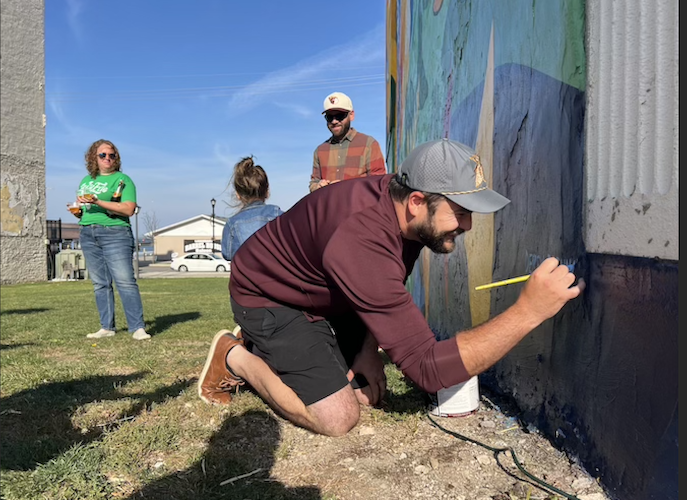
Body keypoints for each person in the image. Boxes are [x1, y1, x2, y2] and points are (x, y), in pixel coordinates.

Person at [198, 138, 585, 437]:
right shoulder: (361, 239)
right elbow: (428, 370)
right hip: (268, 296)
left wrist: (368, 348)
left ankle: (290, 348)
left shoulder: (405, 213)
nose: (468, 226)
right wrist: (529, 311)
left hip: (329, 289)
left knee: (367, 383)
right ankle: (235, 356)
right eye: (462, 213)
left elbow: (387, 284)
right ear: (417, 201)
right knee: (338, 415)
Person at [70, 139, 150, 341]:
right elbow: (84, 210)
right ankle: (106, 327)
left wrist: (97, 201)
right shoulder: (85, 181)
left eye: (112, 155)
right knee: (99, 283)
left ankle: (137, 327)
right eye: (103, 155)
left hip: (115, 232)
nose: (108, 158)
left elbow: (128, 209)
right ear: (93, 158)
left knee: (125, 281)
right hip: (88, 232)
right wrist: (78, 211)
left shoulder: (122, 180)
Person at [309, 92, 386, 193]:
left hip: (359, 208)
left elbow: (379, 183)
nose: (334, 121)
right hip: (330, 208)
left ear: (351, 115)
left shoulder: (369, 144)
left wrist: (346, 187)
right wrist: (318, 186)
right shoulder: (320, 151)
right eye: (329, 117)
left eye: (340, 116)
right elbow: (313, 182)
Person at [221, 156, 283, 262]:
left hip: (247, 276)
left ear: (238, 195)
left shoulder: (233, 223)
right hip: (277, 276)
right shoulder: (278, 215)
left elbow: (228, 254)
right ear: (267, 192)